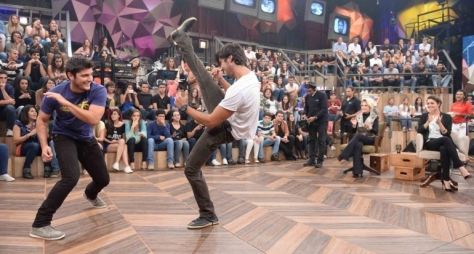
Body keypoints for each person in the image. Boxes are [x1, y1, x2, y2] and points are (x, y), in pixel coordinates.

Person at [169, 17, 260, 229]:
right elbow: (233, 94)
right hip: (233, 122)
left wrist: (184, 108)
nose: (221, 67)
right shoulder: (250, 78)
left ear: (230, 58)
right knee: (204, 77)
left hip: (226, 129)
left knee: (191, 169)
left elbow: (211, 122)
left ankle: (208, 215)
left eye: (221, 63)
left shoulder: (240, 88)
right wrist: (220, 80)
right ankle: (181, 38)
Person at [30, 57, 109, 240]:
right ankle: (40, 224)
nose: (90, 79)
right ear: (70, 76)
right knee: (70, 177)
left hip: (86, 138)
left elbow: (93, 120)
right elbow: (41, 120)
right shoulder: (55, 93)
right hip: (63, 136)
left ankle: (90, 194)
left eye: (91, 74)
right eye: (84, 76)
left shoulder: (98, 90)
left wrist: (65, 103)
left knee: (103, 179)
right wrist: (43, 146)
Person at [417, 96, 471, 191]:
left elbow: (447, 133)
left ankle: (446, 182)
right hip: (431, 142)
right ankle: (461, 167)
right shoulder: (425, 116)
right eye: (428, 103)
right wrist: (427, 122)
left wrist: (440, 123)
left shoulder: (446, 117)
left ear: (438, 104)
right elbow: (419, 130)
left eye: (432, 103)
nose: (429, 105)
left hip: (444, 142)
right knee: (445, 139)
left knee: (444, 148)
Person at [337, 99, 379, 178]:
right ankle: (357, 172)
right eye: (362, 105)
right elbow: (353, 131)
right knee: (358, 145)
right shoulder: (358, 116)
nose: (363, 107)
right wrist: (353, 125)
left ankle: (344, 154)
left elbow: (376, 132)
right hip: (359, 138)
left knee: (358, 136)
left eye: (365, 105)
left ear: (370, 107)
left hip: (370, 138)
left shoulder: (374, 116)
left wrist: (370, 128)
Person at [104, 108, 132, 173]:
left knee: (123, 143)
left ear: (119, 115)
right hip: (108, 144)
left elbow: (124, 138)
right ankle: (124, 165)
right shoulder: (107, 124)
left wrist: (117, 141)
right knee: (123, 145)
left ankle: (122, 165)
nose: (112, 116)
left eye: (115, 114)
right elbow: (103, 138)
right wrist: (110, 141)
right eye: (112, 114)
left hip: (119, 144)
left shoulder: (123, 125)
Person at [0, 70, 15, 136]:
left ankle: (10, 130)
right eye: (1, 78)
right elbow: (10, 101)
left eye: (5, 78)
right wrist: (8, 101)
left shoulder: (9, 87)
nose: (3, 80)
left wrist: (3, 90)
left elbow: (12, 103)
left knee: (10, 108)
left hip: (4, 112)